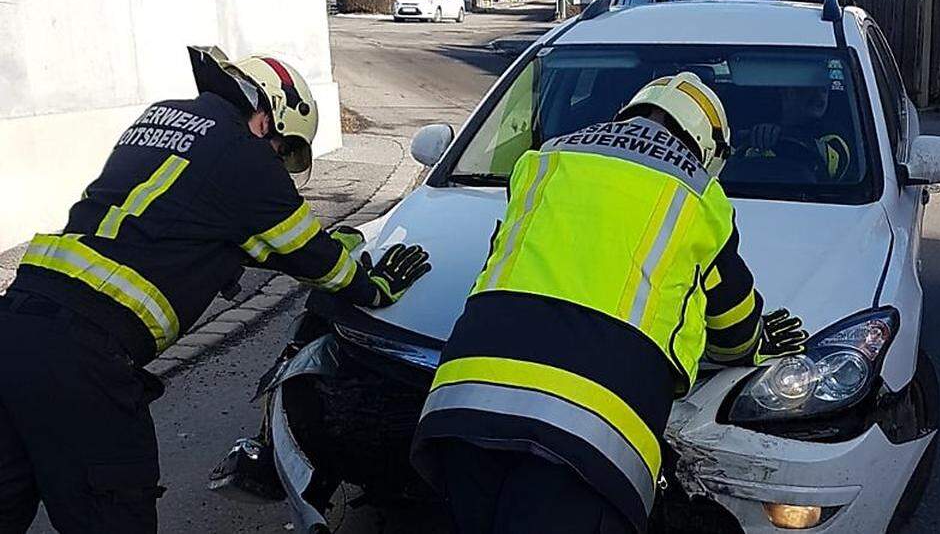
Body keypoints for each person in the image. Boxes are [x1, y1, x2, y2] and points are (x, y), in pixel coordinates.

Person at [0, 46, 431, 533]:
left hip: (15, 324)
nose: (279, 162)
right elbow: (314, 260)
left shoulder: (162, 119)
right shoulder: (246, 158)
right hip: (82, 359)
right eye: (283, 149)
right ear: (268, 117)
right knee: (112, 511)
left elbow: (193, 222)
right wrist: (371, 286)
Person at [410, 72, 809, 534]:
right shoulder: (699, 195)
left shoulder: (545, 158)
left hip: (463, 403)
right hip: (587, 439)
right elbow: (735, 327)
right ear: (708, 145)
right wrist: (756, 343)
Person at [736, 81, 853, 181]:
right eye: (810, 88)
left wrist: (781, 134)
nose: (819, 96)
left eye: (824, 89)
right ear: (785, 91)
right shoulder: (752, 127)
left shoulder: (834, 133)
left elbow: (836, 162)